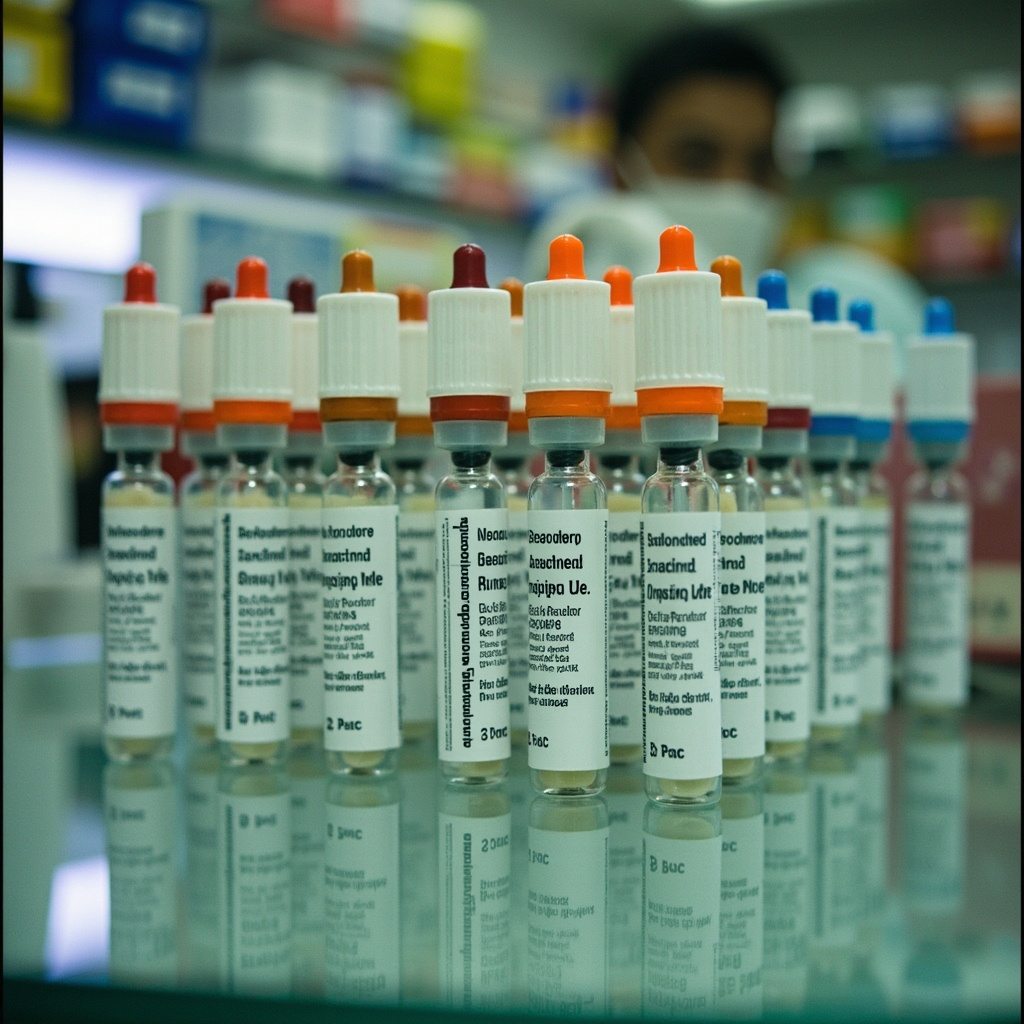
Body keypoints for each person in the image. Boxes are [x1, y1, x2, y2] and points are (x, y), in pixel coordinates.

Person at [523, 23, 926, 356]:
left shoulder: (868, 301)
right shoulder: (579, 314)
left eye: (760, 163)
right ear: (619, 169)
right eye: (696, 157)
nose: (736, 186)